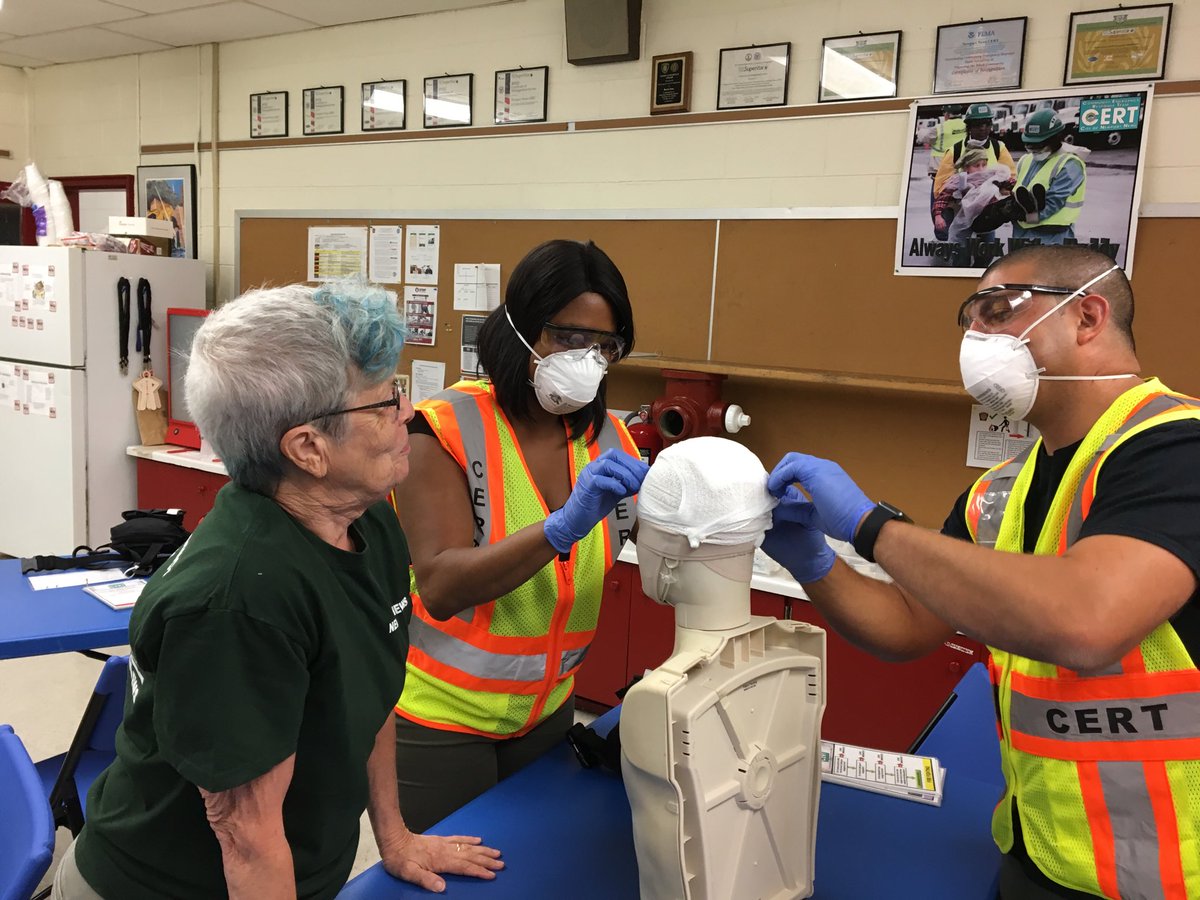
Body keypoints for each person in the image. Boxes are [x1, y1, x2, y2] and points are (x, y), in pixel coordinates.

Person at [762, 245, 1200, 899]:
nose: (977, 339)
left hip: (1170, 878)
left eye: (997, 312)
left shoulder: (1176, 448)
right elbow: (909, 625)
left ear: (1088, 317)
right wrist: (815, 563)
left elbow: (1087, 621)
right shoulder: (999, 492)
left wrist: (870, 527)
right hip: (1039, 853)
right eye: (969, 322)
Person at [56, 282, 503, 898]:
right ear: (308, 448)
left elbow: (369, 697)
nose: (407, 414)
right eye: (382, 404)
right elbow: (246, 835)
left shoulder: (366, 520)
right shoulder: (237, 600)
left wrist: (394, 837)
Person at [391, 238, 648, 832]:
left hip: (548, 712)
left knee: (536, 866)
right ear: (521, 330)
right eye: (569, 338)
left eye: (605, 346)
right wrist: (557, 530)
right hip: (441, 722)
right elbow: (441, 585)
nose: (588, 360)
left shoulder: (609, 440)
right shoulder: (444, 428)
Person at [1011, 109, 1088, 245]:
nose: (1034, 150)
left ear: (1055, 139)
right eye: (1030, 146)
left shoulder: (1070, 164)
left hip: (1053, 236)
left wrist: (1027, 216)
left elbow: (1055, 201)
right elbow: (1018, 188)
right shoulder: (1026, 160)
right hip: (1022, 232)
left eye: (1039, 145)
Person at [932, 147, 1016, 248]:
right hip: (964, 221)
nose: (981, 169)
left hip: (986, 221)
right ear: (967, 167)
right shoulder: (958, 181)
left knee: (988, 249)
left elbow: (1011, 182)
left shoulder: (992, 177)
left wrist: (1008, 187)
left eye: (984, 165)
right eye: (976, 166)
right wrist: (938, 216)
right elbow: (942, 198)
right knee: (960, 250)